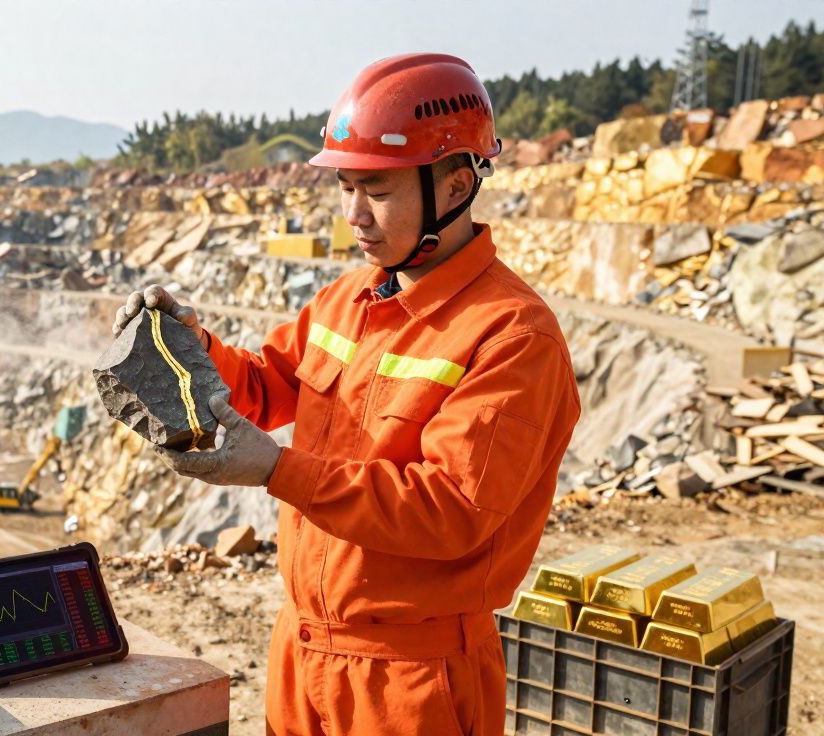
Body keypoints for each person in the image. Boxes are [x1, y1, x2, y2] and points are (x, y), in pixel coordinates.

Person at [113, 53, 580, 735]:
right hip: (303, 654)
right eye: (345, 187)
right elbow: (266, 387)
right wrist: (193, 346)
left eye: (378, 191)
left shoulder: (511, 336)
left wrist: (277, 470)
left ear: (456, 186)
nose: (354, 216)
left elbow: (450, 512)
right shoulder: (349, 300)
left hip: (410, 682)